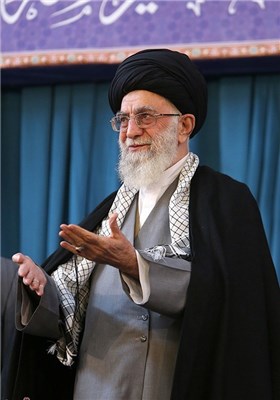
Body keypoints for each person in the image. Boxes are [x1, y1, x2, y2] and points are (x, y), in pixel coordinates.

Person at [9, 49, 280, 400]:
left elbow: (229, 302)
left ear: (184, 125)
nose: (130, 131)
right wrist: (39, 289)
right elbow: (67, 315)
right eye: (122, 120)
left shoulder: (226, 202)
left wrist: (132, 264)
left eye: (145, 117)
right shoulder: (109, 210)